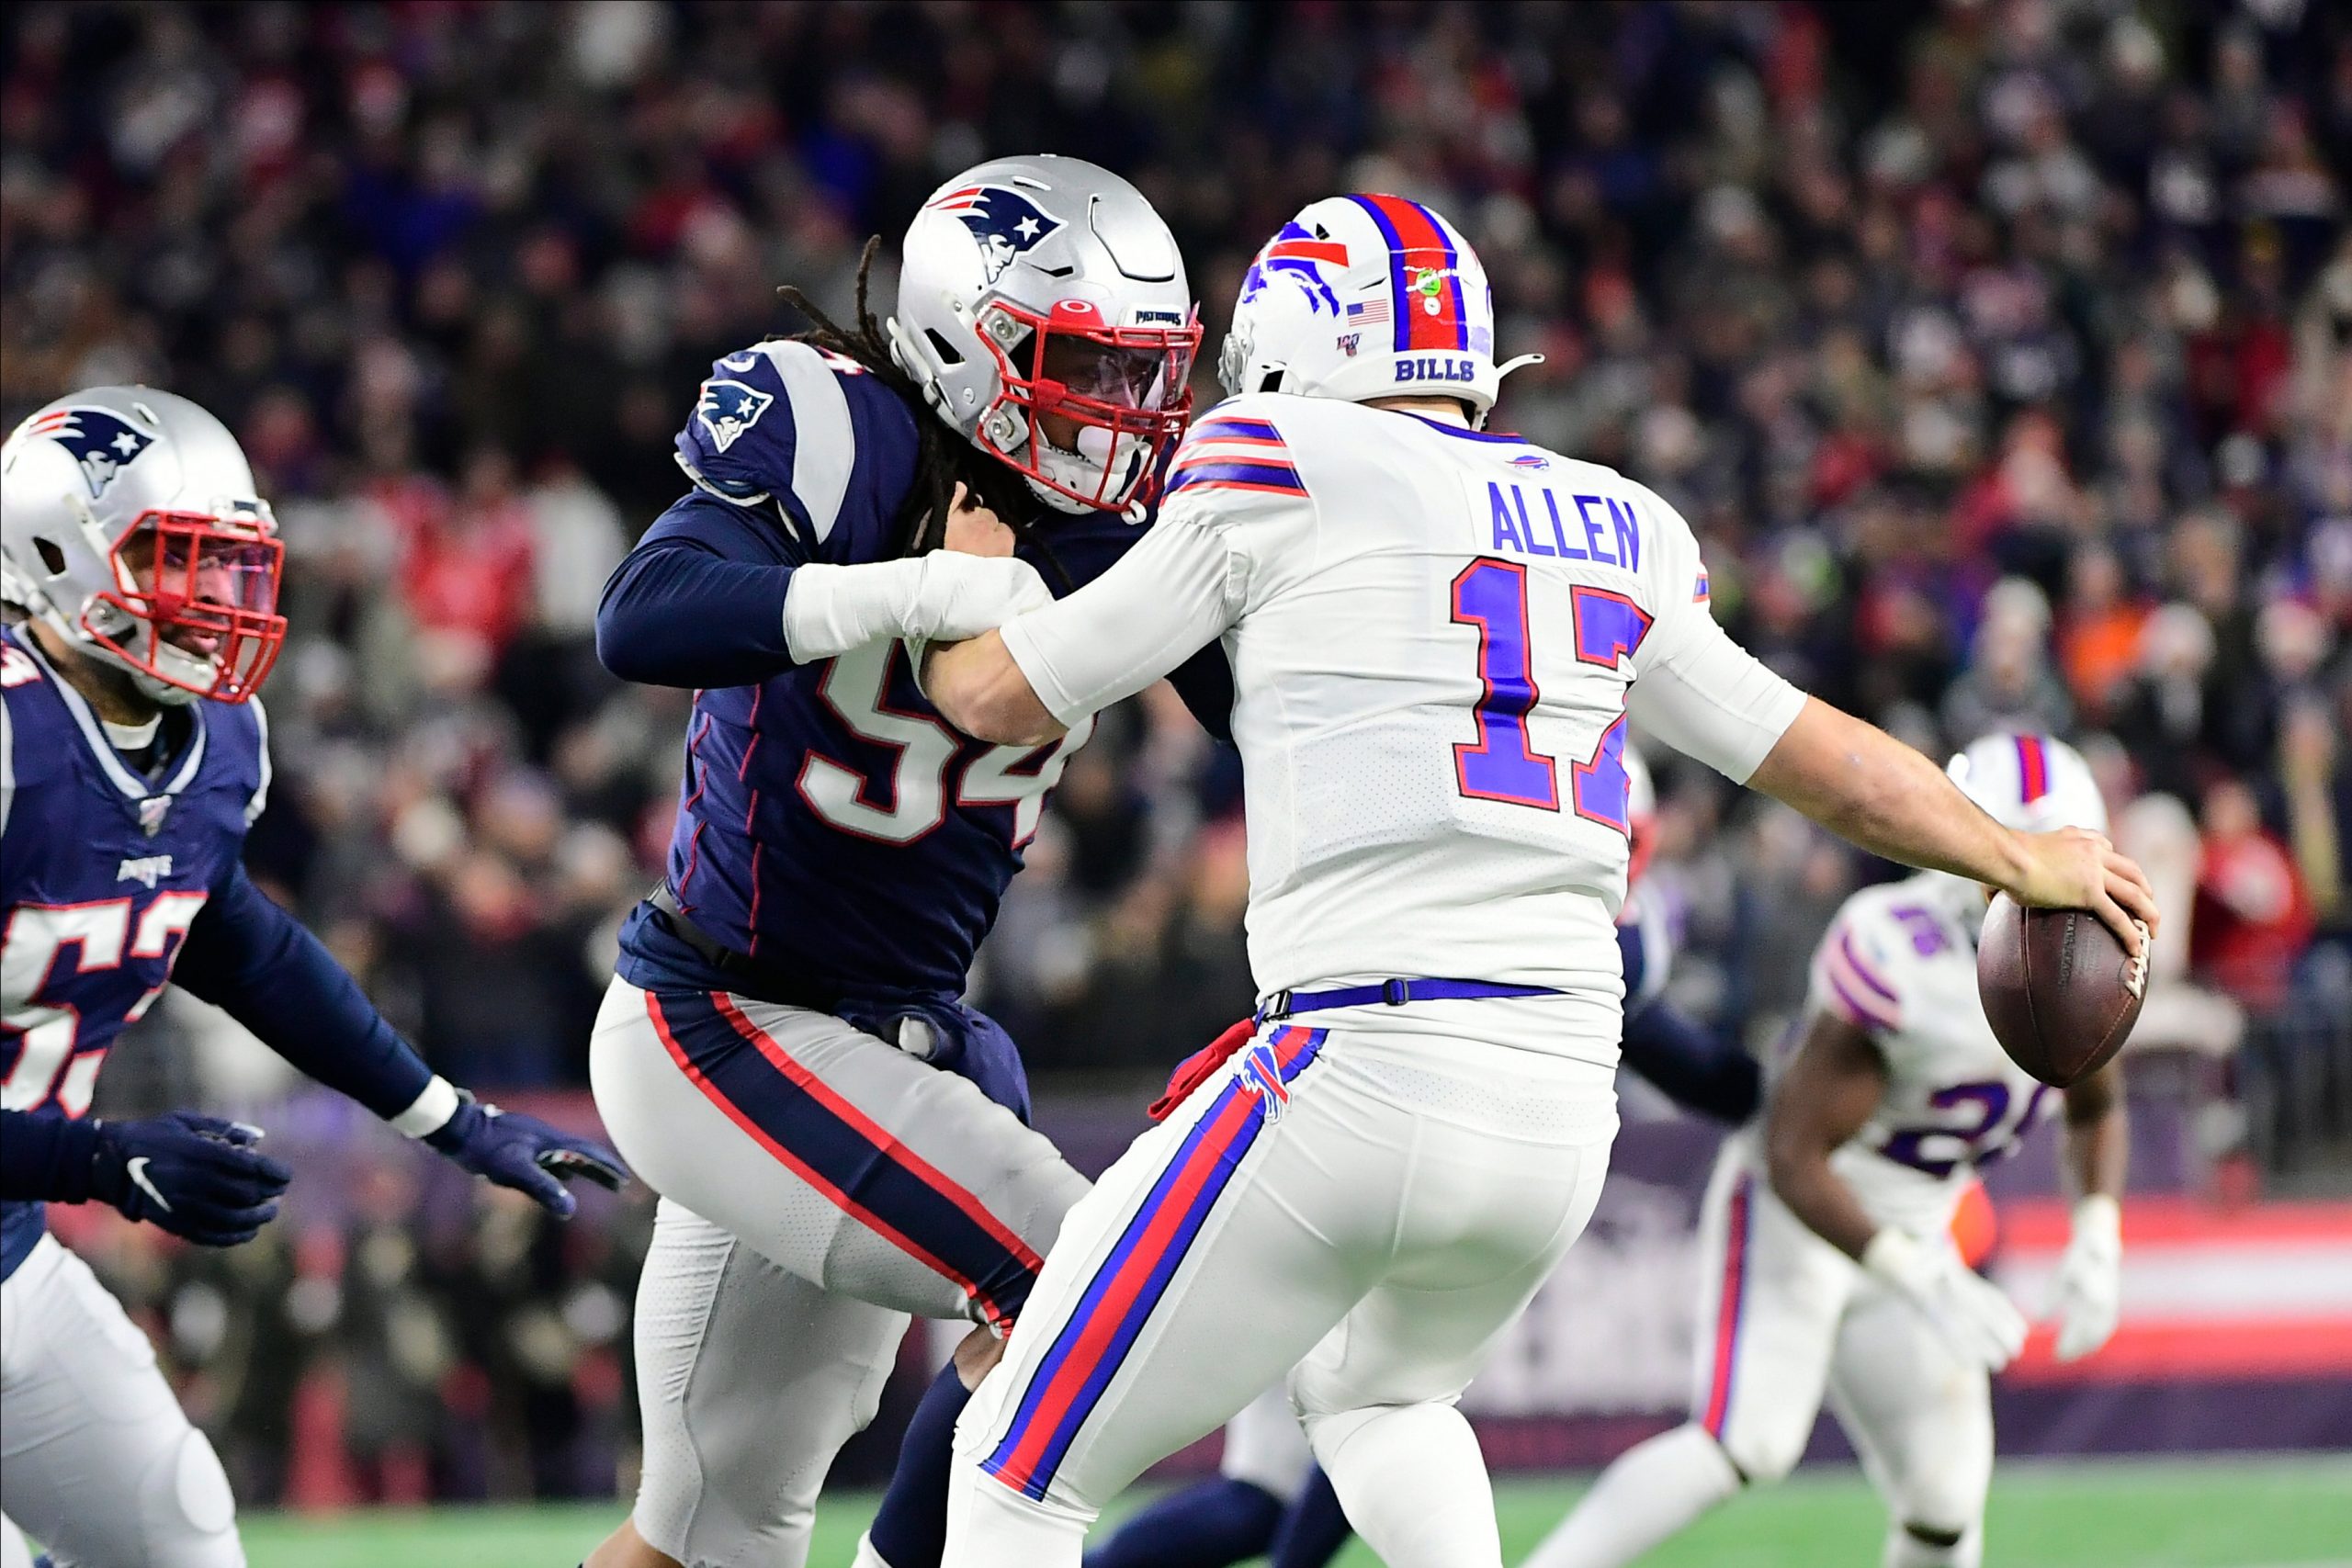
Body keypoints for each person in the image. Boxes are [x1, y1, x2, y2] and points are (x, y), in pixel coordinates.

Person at [915, 195, 2156, 1568]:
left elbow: (1002, 699)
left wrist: (962, 572)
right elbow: (1810, 752)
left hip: (1362, 1056)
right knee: (1378, 1393)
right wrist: (2021, 854)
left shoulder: (1274, 451)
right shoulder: (1613, 519)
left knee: (1013, 1465)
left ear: (1292, 351)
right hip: (1561, 1100)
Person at [580, 155, 1229, 1568]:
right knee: (1089, 1283)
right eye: (1082, 369)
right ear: (964, 337)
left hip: (906, 1044)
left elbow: (1270, 726)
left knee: (712, 1528)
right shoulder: (836, 425)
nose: (1117, 419)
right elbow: (643, 615)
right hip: (727, 1022)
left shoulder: (1130, 522)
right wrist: (921, 589)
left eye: (1139, 376)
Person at [0, 387, 625, 1568]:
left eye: (229, 567)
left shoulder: (213, 742)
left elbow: (234, 939)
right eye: (172, 562)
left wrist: (450, 1120)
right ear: (49, 554)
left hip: (12, 1250)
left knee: (180, 1541)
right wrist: (94, 1158)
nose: (213, 604)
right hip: (33, 1205)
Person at [1080, 744, 1762, 1568]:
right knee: (1381, 1400)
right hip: (1374, 1152)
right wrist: (1788, 1083)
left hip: (1287, 1137)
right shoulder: (1592, 936)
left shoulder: (1432, 857)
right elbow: (1692, 1064)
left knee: (1266, 1482)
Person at [1524, 732, 2130, 1568]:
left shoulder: (2087, 953)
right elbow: (1792, 1151)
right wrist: (1911, 1267)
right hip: (1800, 1215)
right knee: (1746, 1442)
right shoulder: (1895, 948)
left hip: (1918, 1225)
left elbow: (2096, 1099)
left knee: (1946, 1499)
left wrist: (2098, 1232)